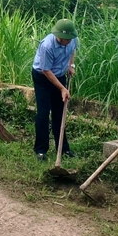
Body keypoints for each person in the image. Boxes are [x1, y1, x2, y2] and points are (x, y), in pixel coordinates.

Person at [32, 19, 78, 162]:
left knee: (60, 112)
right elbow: (46, 70)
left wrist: (71, 65)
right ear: (58, 36)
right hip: (43, 77)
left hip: (59, 75)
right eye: (64, 39)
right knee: (44, 112)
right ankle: (40, 150)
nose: (67, 42)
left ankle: (63, 148)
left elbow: (72, 52)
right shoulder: (47, 45)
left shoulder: (73, 40)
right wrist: (62, 88)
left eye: (69, 39)